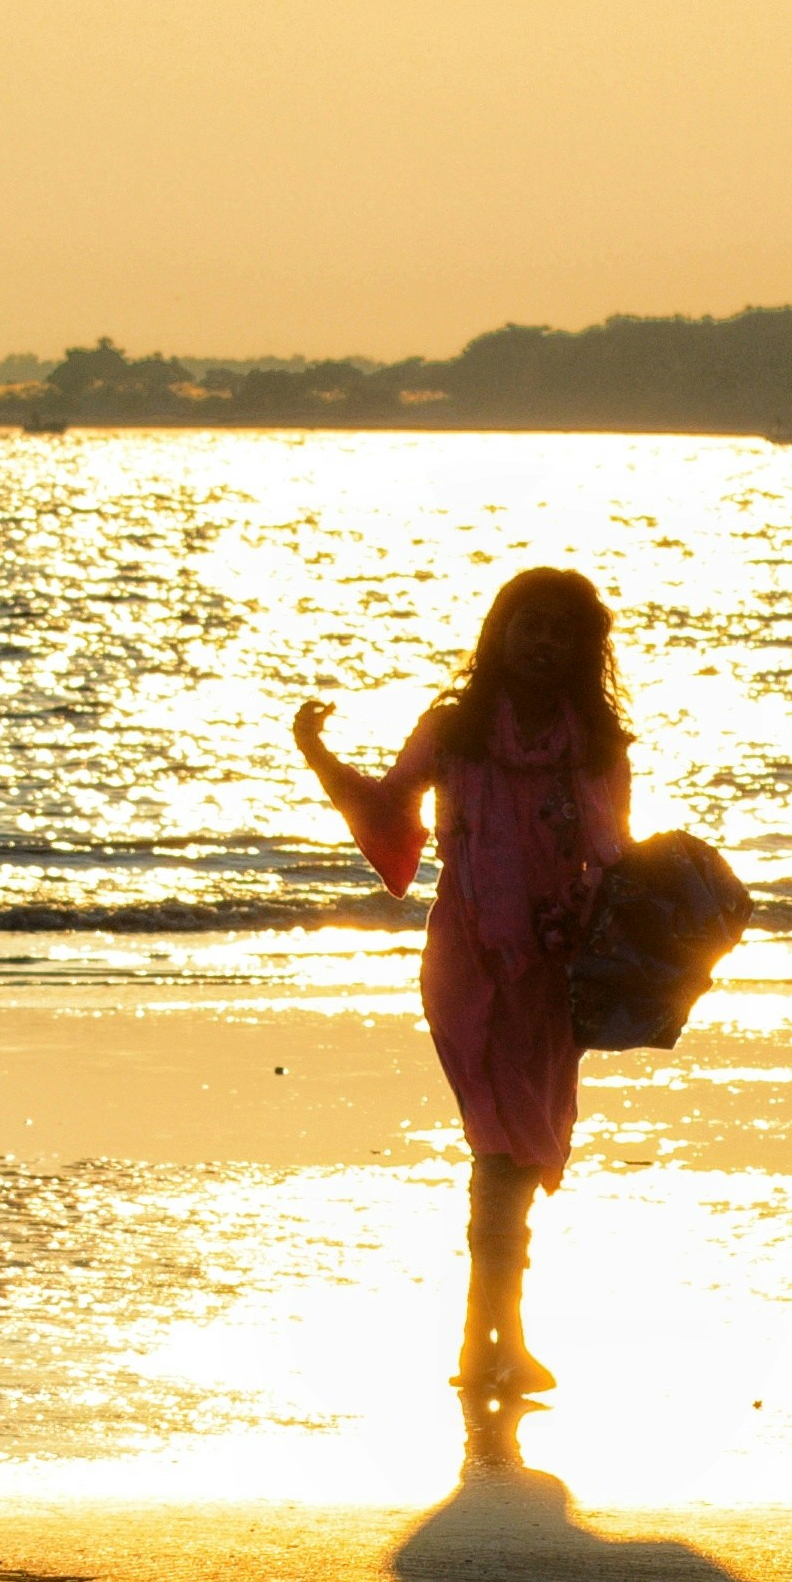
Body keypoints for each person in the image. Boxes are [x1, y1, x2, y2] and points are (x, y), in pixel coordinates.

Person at [294, 568, 632, 1395]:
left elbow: (614, 855)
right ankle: (494, 1342)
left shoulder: (593, 743)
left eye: (562, 631)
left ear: (583, 650)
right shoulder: (454, 728)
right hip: (467, 962)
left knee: (517, 1151)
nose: (544, 642)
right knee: (499, 1150)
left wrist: (668, 928)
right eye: (531, 625)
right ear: (501, 631)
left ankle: (490, 1343)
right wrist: (317, 756)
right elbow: (388, 812)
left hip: (551, 969)